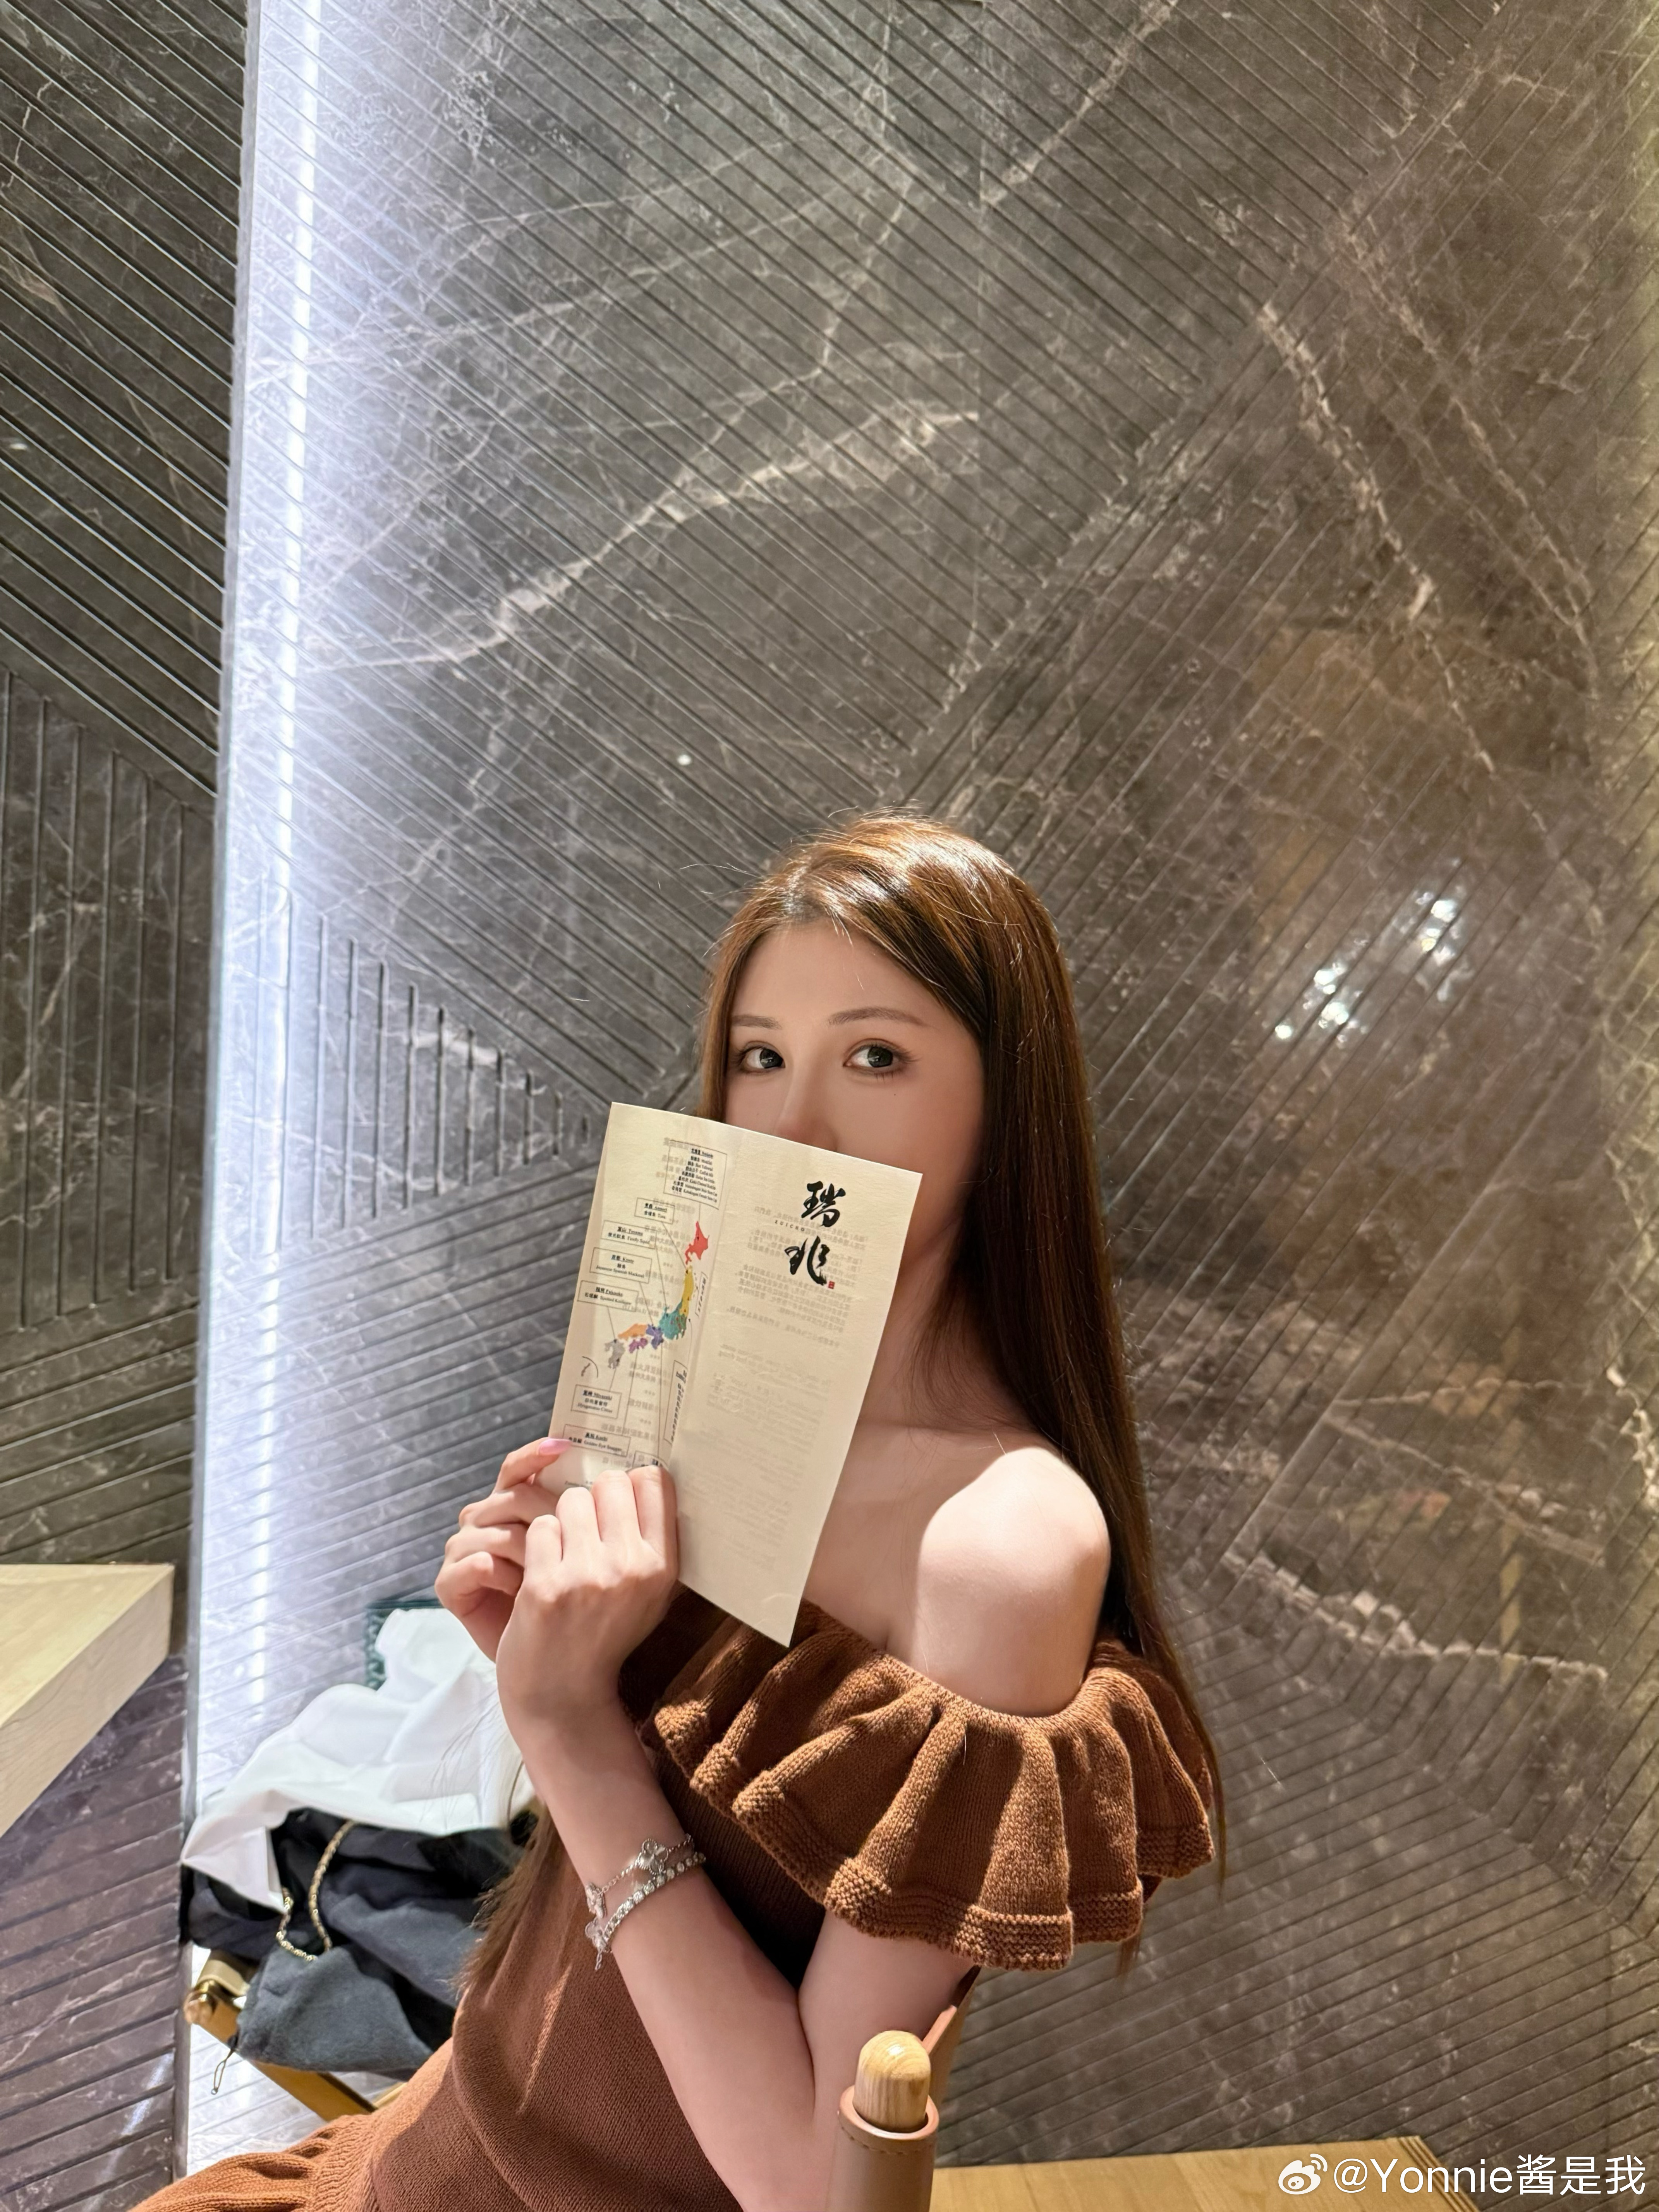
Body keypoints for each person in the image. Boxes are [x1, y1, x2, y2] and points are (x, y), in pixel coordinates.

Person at [145, 816, 1218, 2212]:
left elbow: (811, 2181)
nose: (795, 1126)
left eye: (876, 1058)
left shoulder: (998, 1539)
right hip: (419, 2153)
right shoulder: (716, 1409)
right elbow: (615, 1900)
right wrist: (535, 1649)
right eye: (760, 1058)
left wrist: (568, 1727)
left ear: (1004, 1105)